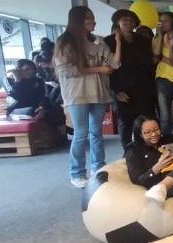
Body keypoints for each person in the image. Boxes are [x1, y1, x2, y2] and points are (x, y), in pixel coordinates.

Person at [53, 6, 121, 188]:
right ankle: (77, 173)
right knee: (81, 134)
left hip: (98, 93)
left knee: (96, 132)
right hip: (77, 94)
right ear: (78, 21)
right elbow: (66, 70)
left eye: (93, 17)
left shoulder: (98, 42)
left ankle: (98, 167)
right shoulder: (66, 41)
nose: (94, 21)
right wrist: (98, 69)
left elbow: (114, 63)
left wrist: (118, 41)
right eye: (89, 18)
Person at [104, 9, 156, 148]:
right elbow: (109, 68)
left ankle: (147, 148)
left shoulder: (142, 40)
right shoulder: (109, 41)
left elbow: (149, 65)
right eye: (125, 19)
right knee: (125, 122)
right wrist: (116, 89)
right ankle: (127, 150)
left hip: (143, 87)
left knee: (146, 120)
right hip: (122, 88)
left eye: (131, 20)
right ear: (118, 21)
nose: (128, 22)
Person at [4, 60, 66, 140]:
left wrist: (42, 107)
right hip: (16, 110)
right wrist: (18, 80)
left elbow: (41, 97)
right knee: (32, 111)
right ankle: (67, 130)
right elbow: (18, 97)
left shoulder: (38, 81)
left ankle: (62, 136)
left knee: (56, 108)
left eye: (33, 69)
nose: (30, 72)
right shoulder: (8, 80)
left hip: (35, 107)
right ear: (18, 69)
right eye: (27, 69)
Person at [153, 12, 173, 137]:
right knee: (165, 115)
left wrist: (164, 57)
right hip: (162, 78)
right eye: (161, 20)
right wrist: (159, 36)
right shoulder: (157, 38)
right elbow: (155, 56)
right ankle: (167, 142)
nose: (163, 23)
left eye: (166, 20)